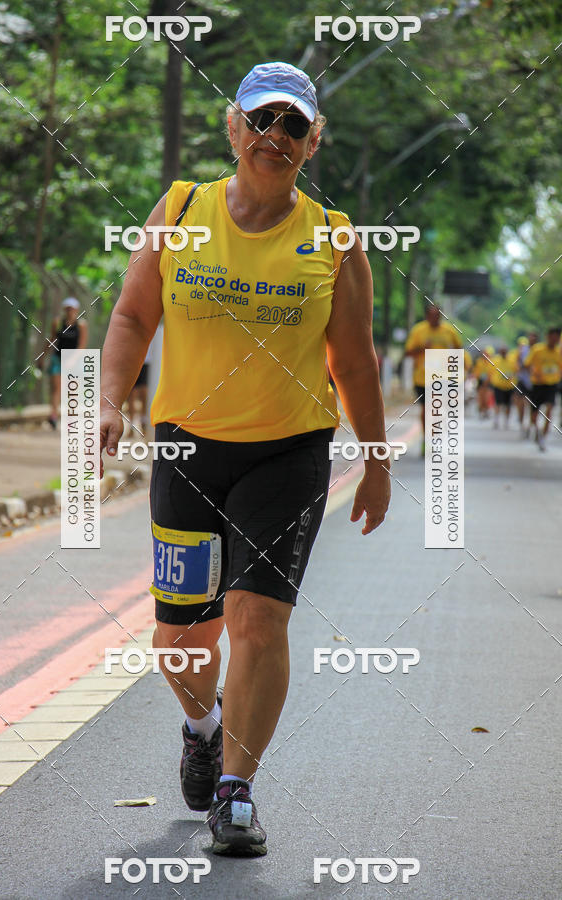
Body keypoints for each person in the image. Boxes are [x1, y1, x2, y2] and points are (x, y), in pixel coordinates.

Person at [98, 61, 391, 857]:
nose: (277, 138)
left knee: (257, 619)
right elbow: (131, 314)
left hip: (289, 452)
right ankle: (202, 727)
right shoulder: (183, 209)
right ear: (234, 128)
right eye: (263, 120)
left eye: (295, 126)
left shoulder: (334, 240)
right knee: (183, 644)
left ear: (313, 144)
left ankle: (236, 793)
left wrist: (376, 460)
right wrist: (108, 401)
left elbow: (356, 363)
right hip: (189, 449)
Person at [404, 304, 462, 453]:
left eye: (438, 315)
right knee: (426, 409)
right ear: (427, 316)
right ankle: (426, 438)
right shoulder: (418, 331)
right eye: (432, 315)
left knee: (437, 408)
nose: (435, 318)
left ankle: (435, 435)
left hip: (443, 377)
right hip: (422, 378)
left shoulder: (449, 332)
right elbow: (408, 353)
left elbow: (459, 351)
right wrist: (423, 348)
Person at [38, 297, 88, 428]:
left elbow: (81, 346)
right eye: (67, 308)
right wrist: (42, 357)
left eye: (72, 309)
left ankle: (71, 418)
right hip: (58, 358)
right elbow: (52, 340)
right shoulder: (58, 323)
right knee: (56, 387)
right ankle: (53, 415)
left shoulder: (81, 325)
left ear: (76, 310)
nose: (69, 311)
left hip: (73, 360)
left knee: (72, 390)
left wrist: (72, 360)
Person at [525, 326, 562, 451]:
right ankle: (537, 430)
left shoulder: (559, 352)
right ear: (548, 337)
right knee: (534, 414)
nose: (554, 341)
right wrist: (535, 373)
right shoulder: (537, 350)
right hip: (537, 385)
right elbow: (527, 364)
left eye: (557, 339)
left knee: (550, 408)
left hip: (551, 385)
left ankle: (543, 438)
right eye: (552, 338)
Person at [127, 338, 154, 436]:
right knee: (131, 395)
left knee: (144, 395)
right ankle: (131, 427)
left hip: (147, 362)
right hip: (132, 361)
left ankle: (144, 426)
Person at [515, 331, 538, 436]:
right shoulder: (523, 350)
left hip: (534, 381)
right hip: (523, 379)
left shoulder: (539, 350)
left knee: (531, 404)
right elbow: (520, 362)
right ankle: (521, 423)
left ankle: (530, 425)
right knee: (521, 402)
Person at [488, 344, 516, 429]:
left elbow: (516, 371)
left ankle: (506, 421)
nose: (503, 353)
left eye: (505, 351)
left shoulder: (512, 361)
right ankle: (496, 420)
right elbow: (490, 372)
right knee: (498, 403)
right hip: (498, 385)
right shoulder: (495, 360)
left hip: (509, 386)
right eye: (502, 351)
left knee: (508, 405)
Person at [473, 345, 495, 419]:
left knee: (487, 398)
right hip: (481, 381)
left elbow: (492, 372)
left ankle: (486, 410)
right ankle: (481, 410)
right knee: (480, 397)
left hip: (489, 382)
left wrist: (488, 380)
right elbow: (476, 371)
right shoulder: (479, 361)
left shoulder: (492, 362)